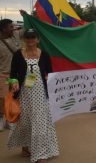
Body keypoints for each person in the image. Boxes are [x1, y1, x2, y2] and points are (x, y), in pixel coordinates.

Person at [7, 29, 59, 163]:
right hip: (24, 95)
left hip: (41, 95)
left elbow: (50, 73)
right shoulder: (18, 55)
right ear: (24, 39)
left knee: (39, 122)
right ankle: (25, 147)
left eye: (33, 37)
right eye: (28, 37)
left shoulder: (44, 55)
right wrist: (14, 83)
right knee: (25, 122)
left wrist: (48, 78)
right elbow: (12, 75)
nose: (30, 40)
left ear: (38, 39)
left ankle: (40, 154)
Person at [0, 19, 22, 131]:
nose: (13, 28)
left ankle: (11, 119)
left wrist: (28, 17)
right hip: (4, 76)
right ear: (3, 29)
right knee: (3, 98)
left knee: (15, 96)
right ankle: (2, 119)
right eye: (10, 27)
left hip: (17, 75)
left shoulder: (16, 36)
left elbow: (29, 29)